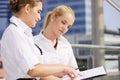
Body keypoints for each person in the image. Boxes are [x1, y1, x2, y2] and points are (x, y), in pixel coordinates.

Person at [0, 0, 80, 80]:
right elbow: (33, 69)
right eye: (38, 11)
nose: (39, 18)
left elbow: (36, 69)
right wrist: (63, 68)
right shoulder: (14, 33)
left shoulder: (23, 34)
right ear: (27, 8)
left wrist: (66, 71)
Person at [34, 5, 79, 80]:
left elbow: (74, 70)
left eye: (68, 27)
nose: (65, 28)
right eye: (63, 22)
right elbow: (35, 72)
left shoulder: (66, 44)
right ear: (53, 17)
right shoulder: (34, 43)